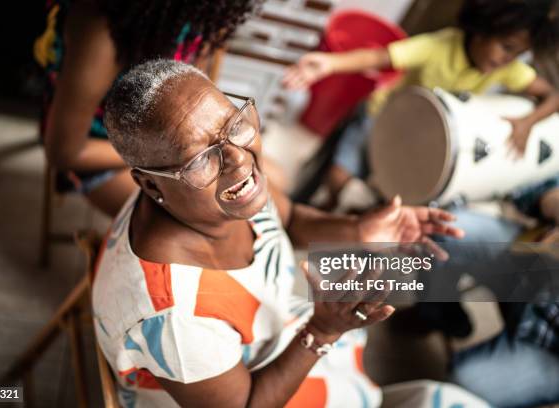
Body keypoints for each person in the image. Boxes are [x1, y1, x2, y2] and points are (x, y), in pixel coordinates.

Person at [90, 59, 484, 407]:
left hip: (279, 338)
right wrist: (321, 332)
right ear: (152, 185)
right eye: (200, 159)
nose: (239, 160)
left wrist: (359, 229)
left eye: (232, 124)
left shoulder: (203, 198)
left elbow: (288, 215)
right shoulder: (175, 320)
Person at [284, 0, 559, 220]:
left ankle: (345, 220)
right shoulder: (438, 46)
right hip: (380, 117)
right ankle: (318, 213)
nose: (506, 59)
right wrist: (330, 64)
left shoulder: (507, 69)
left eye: (516, 54)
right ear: (483, 28)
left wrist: (528, 122)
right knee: (338, 179)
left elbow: (552, 96)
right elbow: (381, 57)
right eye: (506, 47)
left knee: (389, 194)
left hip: (418, 137)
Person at [33, 0, 265, 216]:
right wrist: (175, 158)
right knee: (219, 215)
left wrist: (204, 151)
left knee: (271, 186)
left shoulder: (202, 17)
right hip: (99, 155)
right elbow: (65, 154)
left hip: (176, 152)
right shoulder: (101, 28)